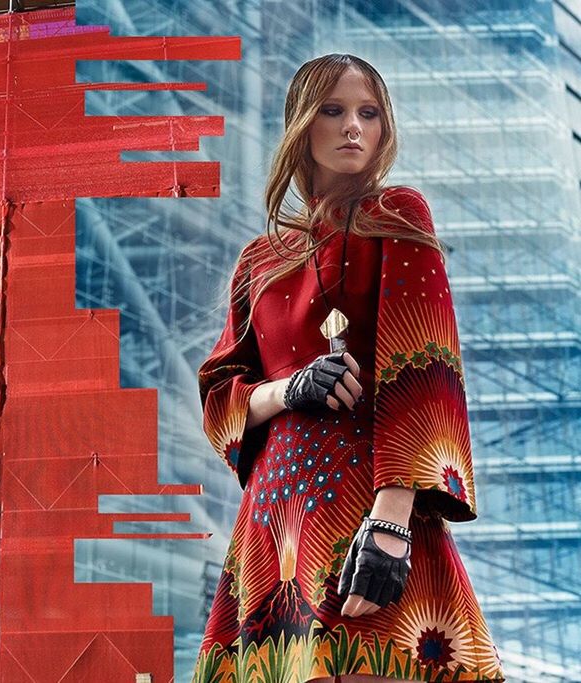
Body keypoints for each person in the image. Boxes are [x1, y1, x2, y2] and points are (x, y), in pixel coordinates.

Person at [191, 54, 505, 683]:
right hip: (274, 523)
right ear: (301, 126)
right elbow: (220, 399)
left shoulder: (398, 214)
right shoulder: (259, 258)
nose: (353, 127)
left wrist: (391, 523)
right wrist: (288, 389)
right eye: (332, 111)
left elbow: (424, 365)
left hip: (367, 502)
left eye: (369, 113)